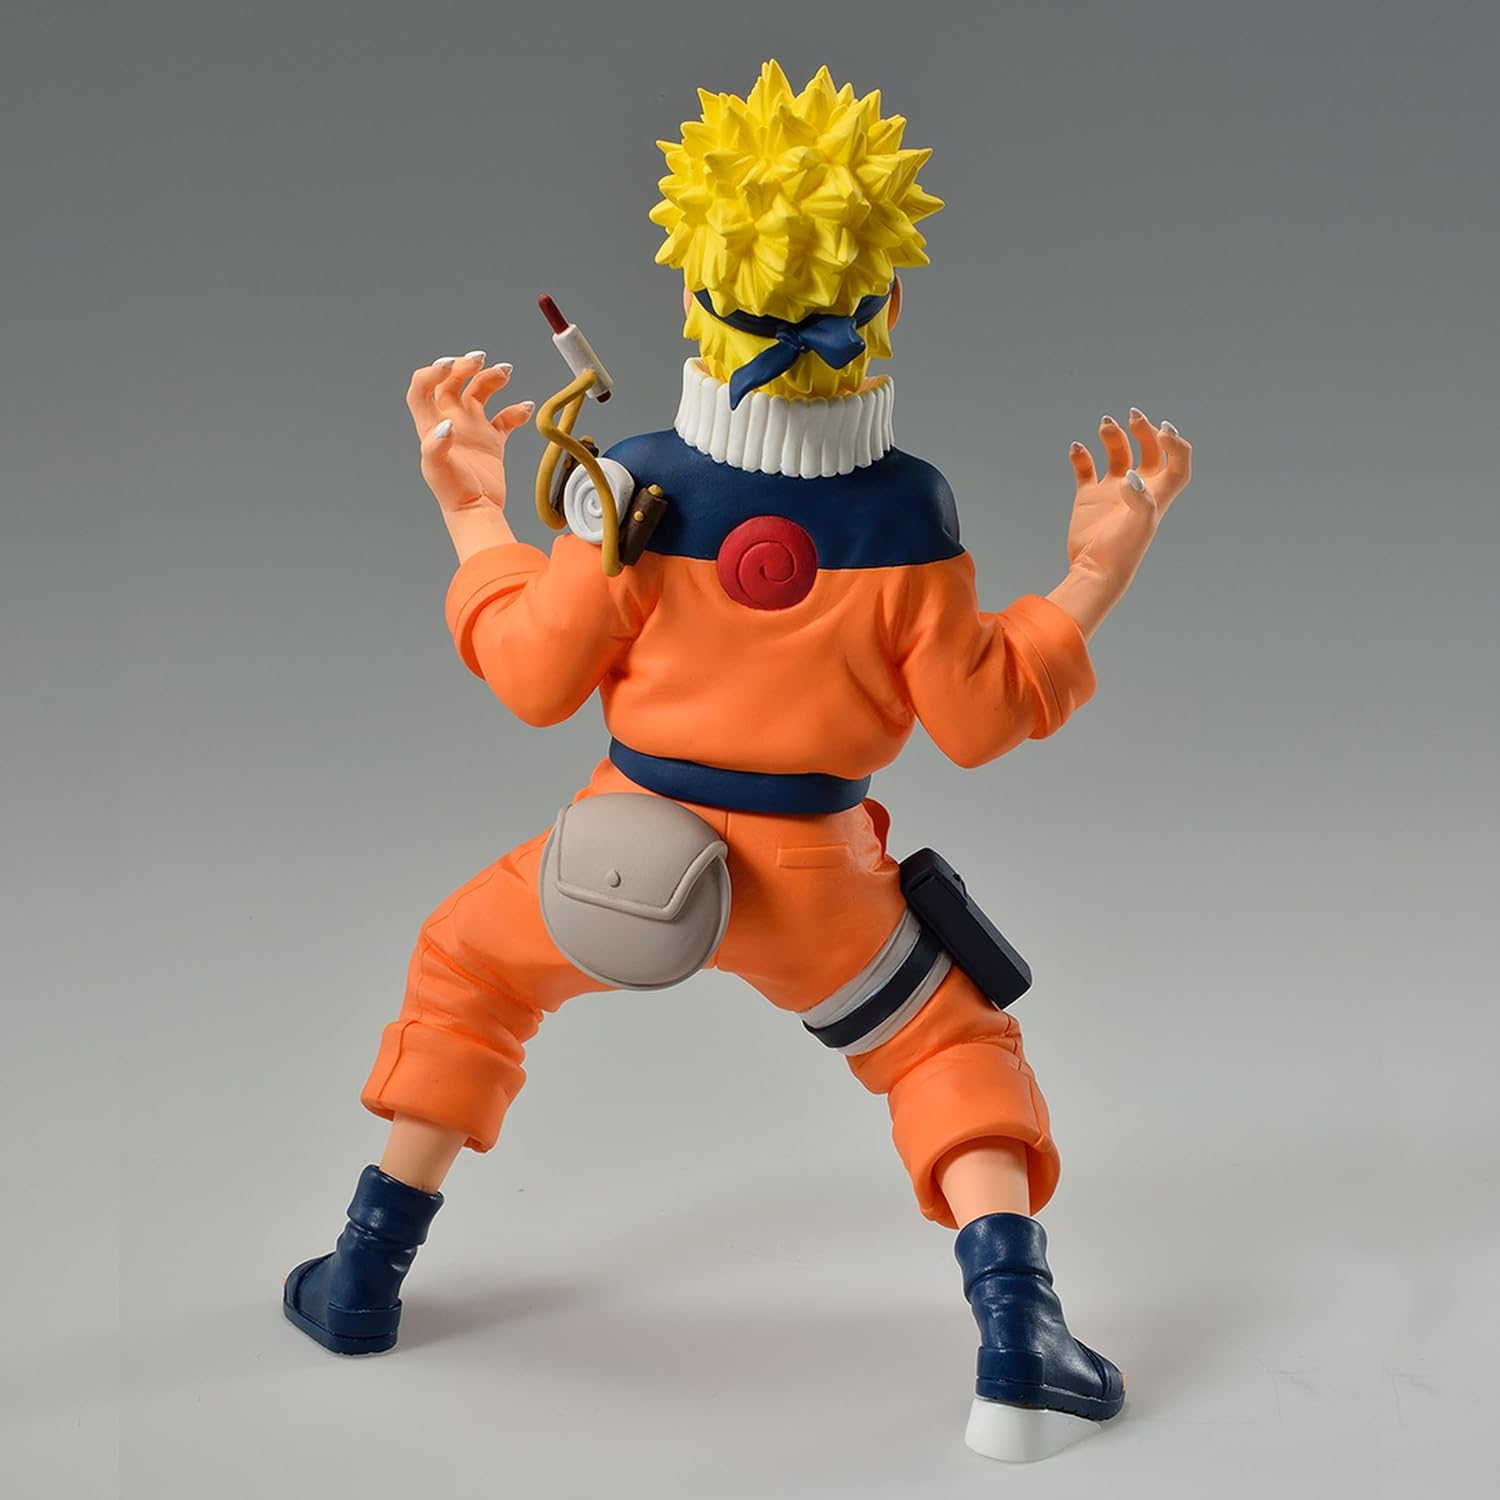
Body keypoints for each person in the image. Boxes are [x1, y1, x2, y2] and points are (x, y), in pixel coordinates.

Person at [283, 61, 1192, 1462]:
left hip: (611, 860)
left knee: (467, 973)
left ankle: (362, 1275)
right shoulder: (910, 516)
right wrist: (1091, 576)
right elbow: (978, 718)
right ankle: (1020, 1345)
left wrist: (471, 509)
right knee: (948, 1047)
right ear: (886, 310)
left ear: (696, 300)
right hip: (819, 887)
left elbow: (531, 675)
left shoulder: (632, 486)